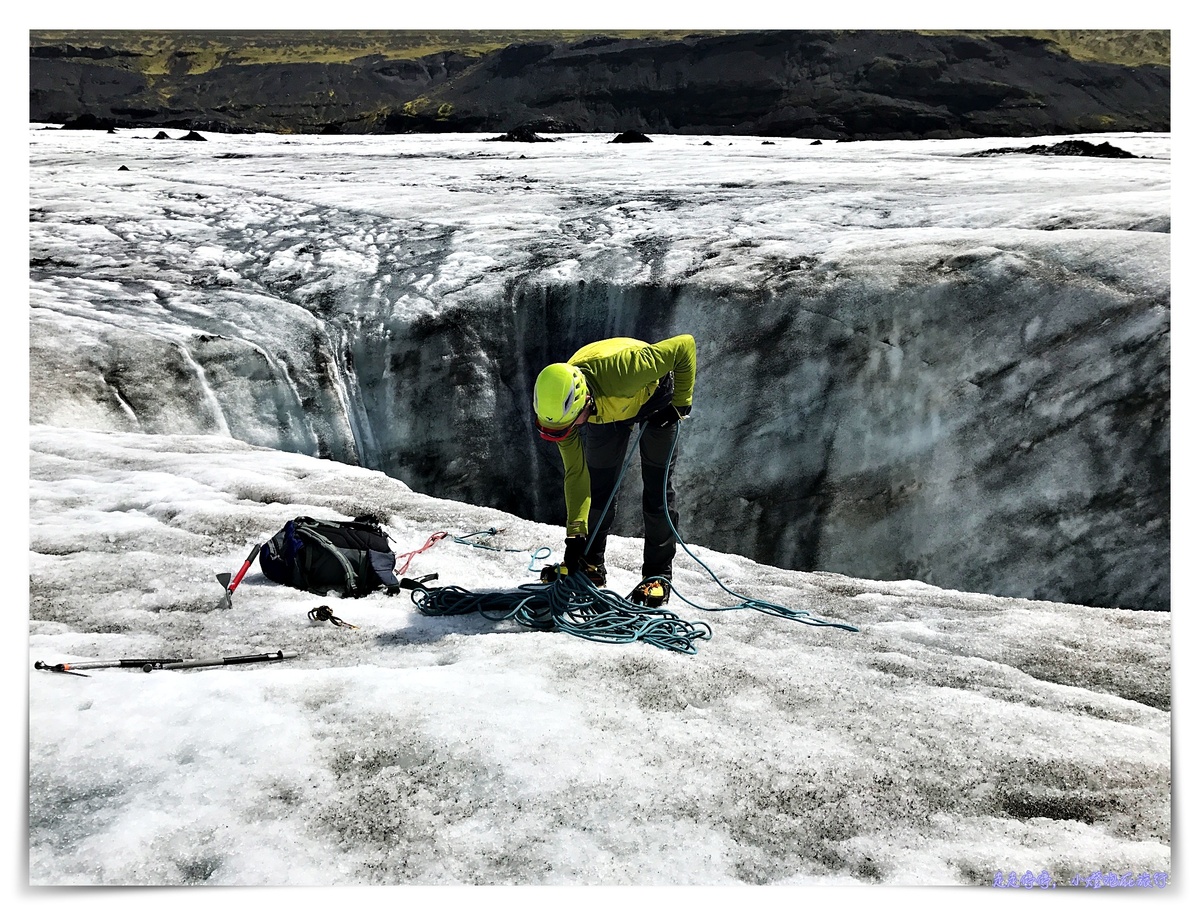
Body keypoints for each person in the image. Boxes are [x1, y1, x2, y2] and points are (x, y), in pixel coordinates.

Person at [532, 335, 696, 607]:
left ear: (582, 401)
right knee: (598, 487)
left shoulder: (627, 369)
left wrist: (680, 403)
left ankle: (658, 577)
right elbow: (576, 475)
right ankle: (590, 565)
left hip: (655, 402)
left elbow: (684, 346)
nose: (568, 433)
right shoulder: (561, 409)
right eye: (560, 431)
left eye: (570, 426)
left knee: (657, 493)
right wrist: (574, 537)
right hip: (606, 411)